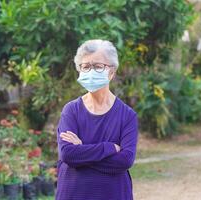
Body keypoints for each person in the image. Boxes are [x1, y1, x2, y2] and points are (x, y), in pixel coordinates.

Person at [55, 39, 139, 200]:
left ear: (112, 72)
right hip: (73, 194)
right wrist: (108, 148)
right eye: (85, 67)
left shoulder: (127, 115)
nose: (91, 71)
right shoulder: (71, 111)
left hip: (113, 194)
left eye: (98, 66)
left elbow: (125, 160)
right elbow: (68, 154)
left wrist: (82, 150)